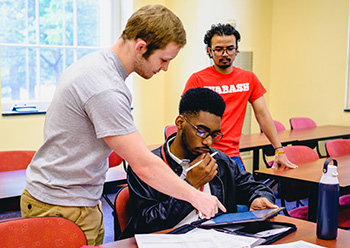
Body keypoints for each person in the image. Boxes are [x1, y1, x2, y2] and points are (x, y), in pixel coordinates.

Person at [20, 5, 224, 245]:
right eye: (164, 59)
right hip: (61, 205)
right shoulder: (105, 87)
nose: (165, 68)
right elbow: (143, 165)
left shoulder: (100, 67)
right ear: (141, 47)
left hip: (77, 200)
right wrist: (195, 196)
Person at [120, 87, 277, 239]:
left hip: (218, 240)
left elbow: (255, 187)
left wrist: (259, 198)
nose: (208, 141)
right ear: (180, 122)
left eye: (214, 134)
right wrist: (190, 185)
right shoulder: (147, 167)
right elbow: (144, 225)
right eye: (201, 131)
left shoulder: (220, 161)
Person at [182, 23, 297, 170]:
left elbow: (263, 115)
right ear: (210, 51)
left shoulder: (248, 79)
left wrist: (279, 150)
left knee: (245, 191)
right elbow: (186, 120)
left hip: (232, 156)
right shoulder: (198, 80)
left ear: (236, 50)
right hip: (203, 155)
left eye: (230, 48)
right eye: (219, 49)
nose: (225, 54)